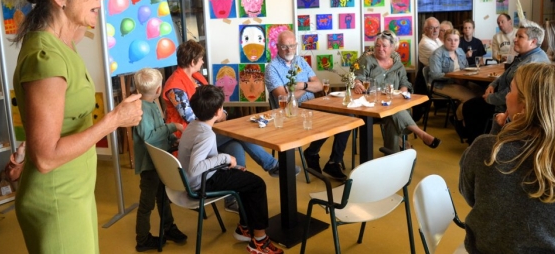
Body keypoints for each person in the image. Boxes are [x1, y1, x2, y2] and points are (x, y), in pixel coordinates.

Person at [0, 0, 143, 252]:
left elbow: (53, 123)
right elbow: (47, 158)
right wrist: (114, 120)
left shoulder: (62, 44)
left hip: (73, 193)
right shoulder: (45, 59)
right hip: (56, 201)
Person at [459, 63, 555, 253]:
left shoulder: (485, 149)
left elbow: (470, 195)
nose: (507, 96)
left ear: (525, 107)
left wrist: (497, 133)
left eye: (510, 91)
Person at [163, 41, 295, 181]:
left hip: (207, 129)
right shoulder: (175, 86)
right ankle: (272, 165)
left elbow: (213, 99)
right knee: (239, 134)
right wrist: (218, 116)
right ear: (192, 62)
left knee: (234, 145)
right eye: (201, 59)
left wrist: (222, 113)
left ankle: (235, 193)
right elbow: (190, 117)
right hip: (191, 136)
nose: (202, 62)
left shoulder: (196, 77)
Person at [178, 85, 284, 254]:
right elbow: (195, 167)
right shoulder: (207, 135)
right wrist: (225, 158)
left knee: (244, 177)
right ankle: (259, 241)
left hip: (200, 178)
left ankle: (244, 227)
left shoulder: (193, 126)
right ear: (218, 112)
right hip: (203, 183)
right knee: (257, 185)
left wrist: (227, 166)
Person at [265, 30, 350, 181]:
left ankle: (333, 161)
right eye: (284, 46)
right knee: (328, 122)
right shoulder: (272, 68)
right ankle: (312, 153)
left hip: (313, 106)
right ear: (277, 47)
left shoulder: (300, 61)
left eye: (292, 46)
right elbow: (283, 97)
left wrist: (299, 85)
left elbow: (318, 85)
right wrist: (305, 87)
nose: (289, 50)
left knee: (347, 118)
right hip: (291, 112)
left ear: (296, 45)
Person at [462, 20, 549, 144]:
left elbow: (512, 94)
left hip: (512, 106)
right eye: (516, 35)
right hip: (505, 98)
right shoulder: (526, 55)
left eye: (520, 37)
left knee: (470, 107)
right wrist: (493, 84)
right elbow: (506, 75)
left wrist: (490, 98)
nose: (515, 39)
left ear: (533, 41)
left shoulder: (530, 63)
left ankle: (478, 145)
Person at [353, 30, 441, 152]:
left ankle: (390, 154)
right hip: (371, 107)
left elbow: (405, 82)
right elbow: (358, 77)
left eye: (384, 46)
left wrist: (401, 92)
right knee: (393, 110)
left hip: (391, 106)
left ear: (392, 48)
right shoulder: (368, 61)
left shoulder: (398, 65)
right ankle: (420, 133)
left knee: (391, 116)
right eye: (377, 45)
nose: (380, 48)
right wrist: (357, 83)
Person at [132, 68, 187, 252]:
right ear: (158, 89)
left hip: (159, 161)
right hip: (150, 165)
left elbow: (159, 129)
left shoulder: (152, 104)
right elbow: (149, 136)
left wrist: (172, 139)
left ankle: (168, 227)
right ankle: (142, 239)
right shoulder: (141, 109)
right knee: (147, 203)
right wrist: (173, 127)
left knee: (163, 197)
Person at [428, 29, 482, 130]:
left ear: (459, 41)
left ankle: (466, 119)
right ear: (444, 40)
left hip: (460, 81)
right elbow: (435, 75)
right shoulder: (437, 54)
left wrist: (464, 76)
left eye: (456, 40)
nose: (453, 43)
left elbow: (465, 68)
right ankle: (458, 120)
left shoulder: (460, 51)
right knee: (470, 98)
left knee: (482, 94)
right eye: (449, 40)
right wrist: (454, 78)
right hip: (440, 84)